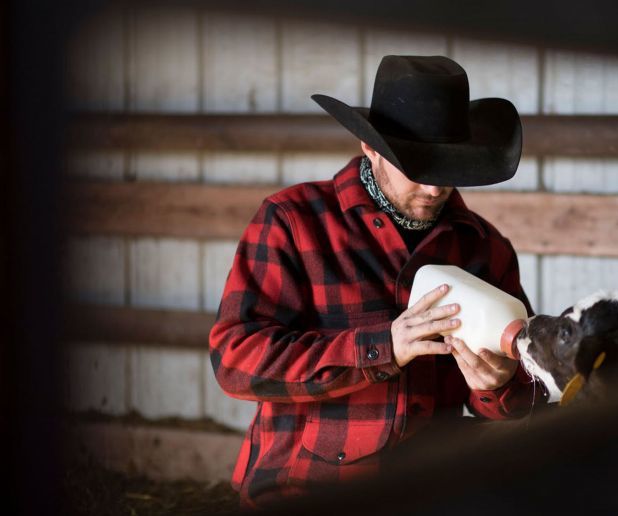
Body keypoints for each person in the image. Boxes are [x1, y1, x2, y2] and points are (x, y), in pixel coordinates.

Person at [209, 55, 547, 508]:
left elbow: (524, 398)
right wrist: (381, 348)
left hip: (428, 487)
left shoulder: (484, 248)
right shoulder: (293, 221)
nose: (435, 188)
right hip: (305, 488)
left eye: (449, 165)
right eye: (419, 166)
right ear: (371, 148)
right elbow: (235, 361)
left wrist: (499, 385)